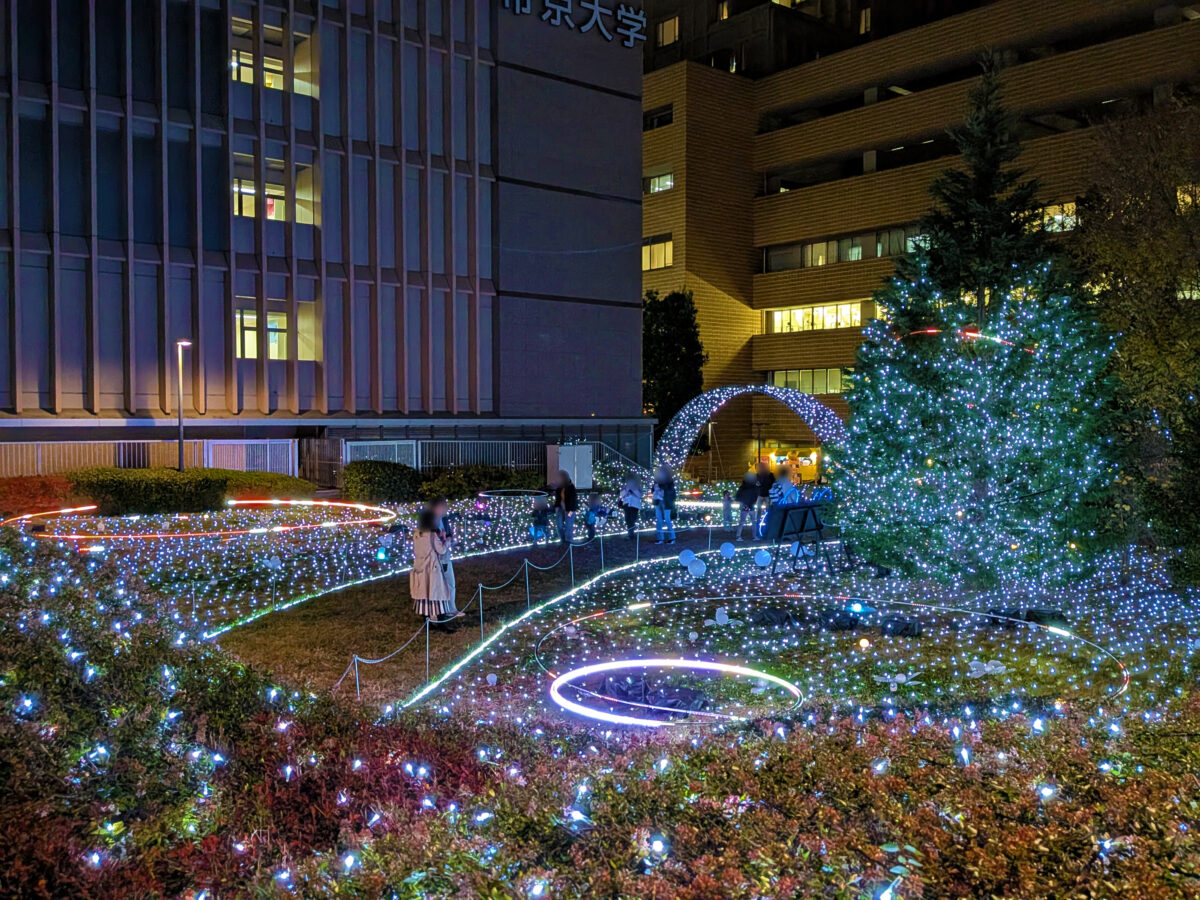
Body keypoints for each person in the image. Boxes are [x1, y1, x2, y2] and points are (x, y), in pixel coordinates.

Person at [410, 504, 462, 632]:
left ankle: (427, 622)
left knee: (424, 595)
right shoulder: (432, 535)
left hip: (420, 567)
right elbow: (442, 550)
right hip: (432, 569)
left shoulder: (417, 534)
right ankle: (441, 624)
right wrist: (445, 539)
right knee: (438, 594)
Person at [652, 466, 677, 545]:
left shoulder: (669, 481)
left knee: (667, 519)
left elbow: (671, 492)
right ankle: (660, 538)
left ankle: (672, 538)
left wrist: (661, 487)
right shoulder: (656, 481)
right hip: (657, 501)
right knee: (659, 520)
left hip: (666, 502)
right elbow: (652, 490)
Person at [553, 469, 578, 544]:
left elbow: (573, 500)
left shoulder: (571, 487)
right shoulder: (559, 488)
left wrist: (569, 510)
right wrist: (557, 506)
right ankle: (563, 539)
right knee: (559, 524)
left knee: (569, 525)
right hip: (560, 508)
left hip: (569, 509)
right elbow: (558, 498)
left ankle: (569, 540)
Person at [734, 471, 759, 541]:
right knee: (753, 522)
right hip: (749, 506)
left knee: (743, 522)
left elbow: (738, 497)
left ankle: (738, 536)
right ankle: (754, 536)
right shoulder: (753, 487)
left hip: (746, 506)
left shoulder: (743, 487)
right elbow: (755, 496)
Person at [754, 461, 773, 538]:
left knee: (767, 509)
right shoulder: (758, 475)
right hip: (761, 494)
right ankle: (759, 521)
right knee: (759, 509)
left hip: (766, 494)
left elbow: (772, 483)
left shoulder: (769, 475)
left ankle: (767, 521)